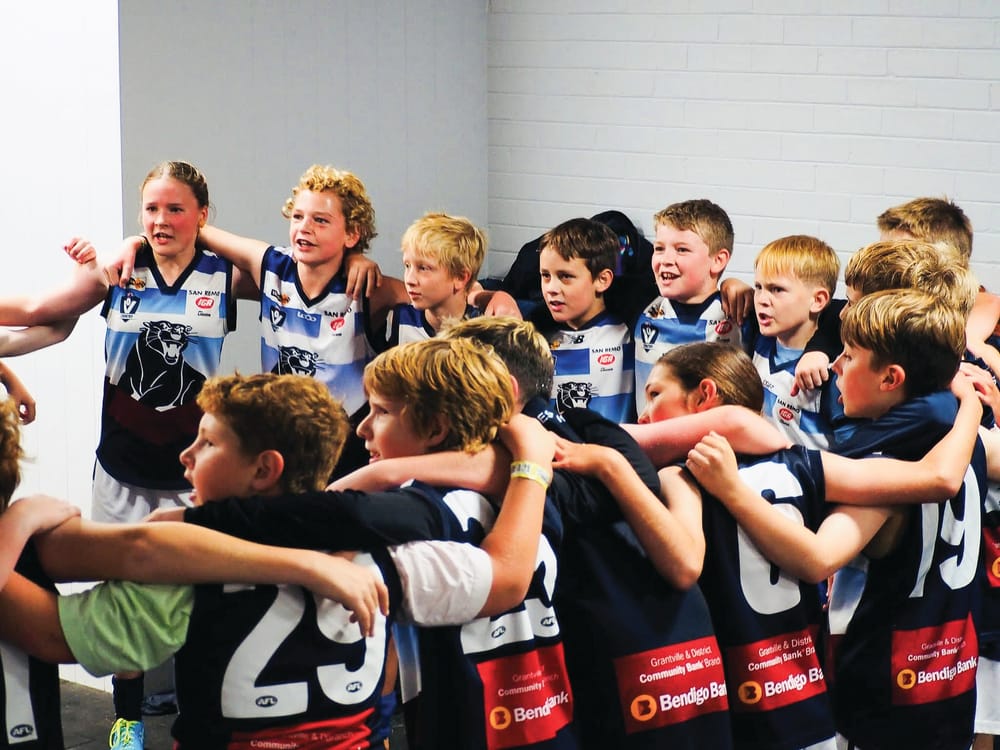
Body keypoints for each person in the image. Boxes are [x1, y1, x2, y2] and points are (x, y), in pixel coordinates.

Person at [0, 367, 554, 748]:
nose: (186, 457)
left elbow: (58, 636)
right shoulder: (391, 546)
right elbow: (506, 581)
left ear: (265, 469)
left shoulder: (181, 563)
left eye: (208, 443)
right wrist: (531, 465)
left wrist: (19, 521)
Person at [0, 160, 255, 743]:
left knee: (204, 595)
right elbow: (40, 311)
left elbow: (304, 276)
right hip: (121, 464)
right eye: (150, 210)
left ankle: (199, 716)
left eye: (175, 209)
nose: (160, 221)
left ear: (202, 216)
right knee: (121, 592)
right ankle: (128, 720)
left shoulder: (226, 278)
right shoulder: (119, 271)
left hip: (196, 467)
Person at [686, 290, 987, 750]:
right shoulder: (971, 441)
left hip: (880, 696)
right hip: (950, 683)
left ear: (890, 377)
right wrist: (973, 405)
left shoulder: (885, 470)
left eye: (849, 356)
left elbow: (816, 559)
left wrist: (730, 491)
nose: (835, 367)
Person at [530, 217, 636, 423]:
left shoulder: (630, 331)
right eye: (545, 275)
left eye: (565, 276)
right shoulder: (534, 335)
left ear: (602, 280)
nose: (551, 288)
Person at [751, 235, 850, 450]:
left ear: (818, 300)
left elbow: (852, 457)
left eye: (777, 289)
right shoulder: (758, 340)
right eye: (758, 287)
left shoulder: (834, 374)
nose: (761, 299)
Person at [385, 211, 519, 346]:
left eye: (424, 268)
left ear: (460, 277)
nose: (409, 279)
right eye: (407, 266)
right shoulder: (403, 318)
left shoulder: (484, 331)